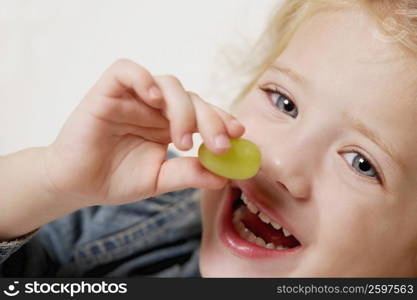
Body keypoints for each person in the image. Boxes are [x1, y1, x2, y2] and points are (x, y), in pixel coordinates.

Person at [1, 0, 417, 277]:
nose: (279, 164)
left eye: (362, 163)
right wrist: (50, 179)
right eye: (284, 102)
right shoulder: (130, 215)